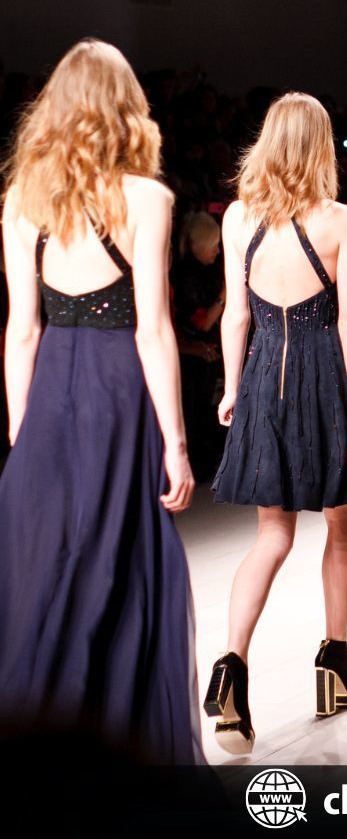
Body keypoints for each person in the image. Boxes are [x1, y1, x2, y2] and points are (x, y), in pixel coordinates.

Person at [0, 39, 202, 763]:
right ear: (125, 109)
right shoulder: (146, 199)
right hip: (119, 394)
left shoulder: (20, 204)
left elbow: (22, 331)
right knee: (122, 561)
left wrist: (22, 436)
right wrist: (177, 443)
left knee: (50, 570)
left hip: (50, 393)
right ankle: (119, 748)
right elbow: (152, 328)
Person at [206, 92, 347, 754]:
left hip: (263, 376)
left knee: (271, 536)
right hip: (324, 379)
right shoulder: (343, 221)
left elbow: (236, 315)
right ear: (320, 148)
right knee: (342, 522)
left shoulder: (238, 219)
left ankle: (230, 666)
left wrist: (232, 388)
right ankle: (333, 661)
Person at [172, 210, 225, 482]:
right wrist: (225, 295)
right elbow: (202, 322)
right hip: (191, 357)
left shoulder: (207, 271)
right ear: (199, 245)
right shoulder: (186, 277)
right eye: (213, 245)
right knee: (196, 412)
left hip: (206, 353)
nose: (217, 251)